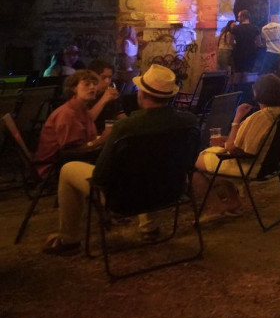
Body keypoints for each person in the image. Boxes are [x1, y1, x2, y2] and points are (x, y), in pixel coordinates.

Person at [42, 64, 195, 255]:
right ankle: (150, 227)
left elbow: (101, 176)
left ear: (142, 94)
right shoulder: (189, 122)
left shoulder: (126, 127)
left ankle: (69, 239)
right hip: (172, 191)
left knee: (68, 169)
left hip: (124, 199)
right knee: (149, 167)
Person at [192, 73, 280, 219]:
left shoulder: (261, 117)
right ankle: (233, 202)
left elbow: (233, 149)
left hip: (250, 166)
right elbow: (253, 141)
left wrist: (237, 118)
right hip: (268, 164)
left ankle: (216, 207)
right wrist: (226, 141)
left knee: (194, 168)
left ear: (258, 92)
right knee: (214, 163)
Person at [35, 69, 121, 179]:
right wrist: (101, 140)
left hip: (72, 162)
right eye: (87, 84)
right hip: (54, 170)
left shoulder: (82, 109)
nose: (92, 87)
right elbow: (70, 152)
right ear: (74, 88)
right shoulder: (67, 114)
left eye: (94, 84)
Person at [231, 10, 262, 76]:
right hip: (251, 53)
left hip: (238, 53)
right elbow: (259, 43)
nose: (238, 19)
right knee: (249, 72)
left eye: (239, 17)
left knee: (238, 72)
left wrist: (235, 46)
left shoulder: (235, 28)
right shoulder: (255, 28)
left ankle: (238, 82)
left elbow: (230, 41)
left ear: (243, 17)